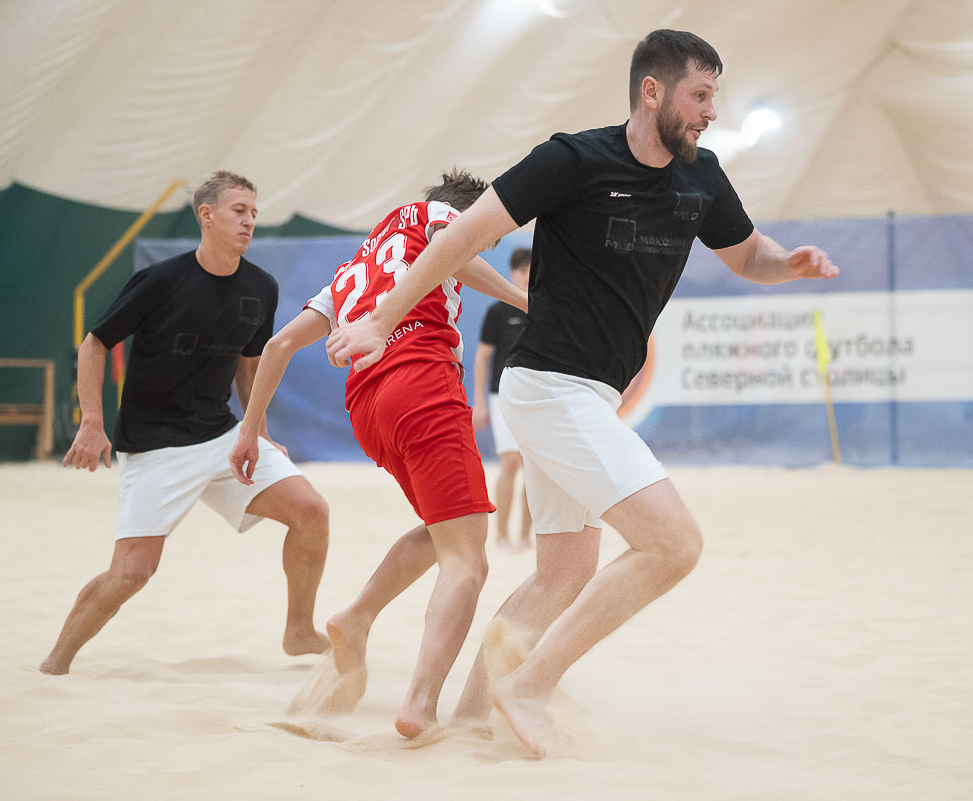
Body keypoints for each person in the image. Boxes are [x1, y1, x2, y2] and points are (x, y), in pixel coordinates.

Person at [326, 29, 839, 757]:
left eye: (714, 97)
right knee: (674, 543)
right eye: (700, 95)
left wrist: (790, 263)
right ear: (651, 91)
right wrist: (381, 319)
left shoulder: (702, 176)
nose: (711, 112)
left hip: (589, 395)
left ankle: (471, 717)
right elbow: (461, 238)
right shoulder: (572, 159)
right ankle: (529, 686)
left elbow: (750, 254)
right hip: (547, 385)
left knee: (561, 575)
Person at [228, 169, 527, 739]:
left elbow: (279, 344)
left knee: (446, 531)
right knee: (469, 561)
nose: (483, 245)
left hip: (366, 407)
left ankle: (357, 616)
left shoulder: (351, 271)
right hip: (420, 381)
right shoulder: (440, 217)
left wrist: (249, 431)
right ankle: (420, 704)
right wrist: (522, 298)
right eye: (487, 235)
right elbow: (454, 244)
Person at [41, 171, 331, 676]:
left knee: (311, 511)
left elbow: (248, 368)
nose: (249, 221)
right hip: (155, 446)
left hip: (221, 435)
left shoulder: (261, 287)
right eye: (239, 211)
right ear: (207, 215)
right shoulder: (160, 281)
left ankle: (299, 631)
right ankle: (55, 663)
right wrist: (92, 421)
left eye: (253, 213)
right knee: (132, 572)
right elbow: (94, 344)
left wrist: (257, 432)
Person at [472, 247, 533, 549]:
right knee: (510, 463)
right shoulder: (498, 312)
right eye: (522, 271)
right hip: (502, 397)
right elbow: (482, 357)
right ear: (512, 273)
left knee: (535, 469)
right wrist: (479, 402)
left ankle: (524, 537)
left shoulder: (545, 310)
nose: (527, 276)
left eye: (532, 270)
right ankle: (501, 535)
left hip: (537, 398)